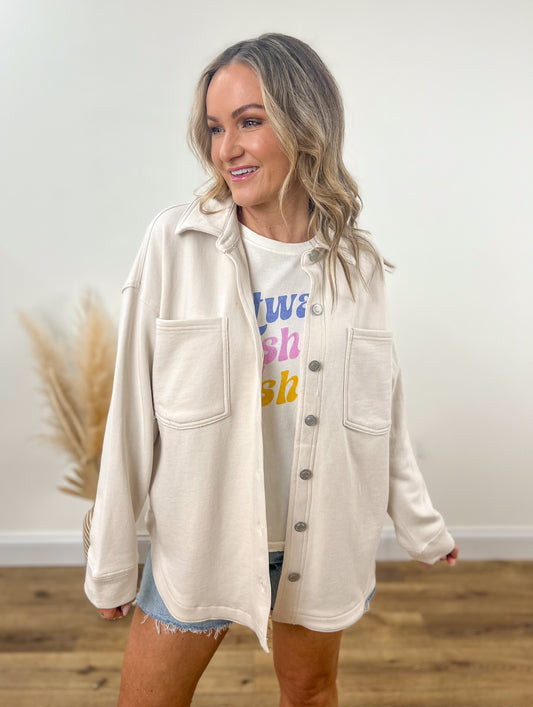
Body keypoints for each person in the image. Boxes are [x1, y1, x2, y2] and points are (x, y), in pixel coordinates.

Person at [84, 33, 459, 707]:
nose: (226, 148)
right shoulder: (175, 244)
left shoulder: (356, 264)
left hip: (321, 539)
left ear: (304, 124)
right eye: (214, 128)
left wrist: (420, 522)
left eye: (249, 122)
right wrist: (110, 556)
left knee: (310, 691)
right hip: (200, 539)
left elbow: (380, 407)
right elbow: (131, 413)